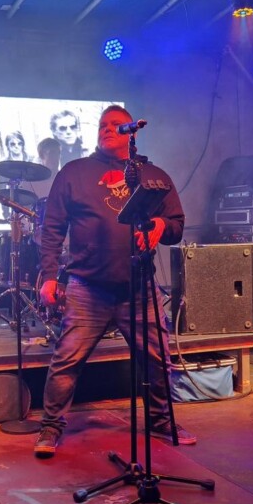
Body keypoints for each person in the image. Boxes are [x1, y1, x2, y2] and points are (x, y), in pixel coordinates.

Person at [33, 105, 192, 458]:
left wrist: (161, 226)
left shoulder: (152, 175)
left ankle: (161, 421)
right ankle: (51, 426)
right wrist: (49, 277)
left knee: (157, 360)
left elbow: (177, 225)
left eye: (115, 125)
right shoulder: (74, 172)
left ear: (131, 131)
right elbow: (52, 228)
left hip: (139, 286)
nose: (106, 129)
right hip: (87, 286)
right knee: (67, 360)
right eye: (102, 125)